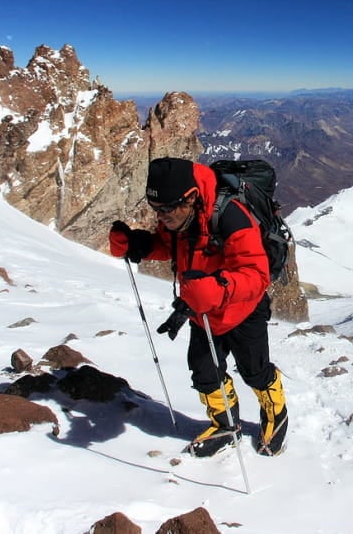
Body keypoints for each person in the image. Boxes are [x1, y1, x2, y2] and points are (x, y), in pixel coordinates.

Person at [109, 157, 288, 457]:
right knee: (205, 373)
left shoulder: (231, 217)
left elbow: (256, 275)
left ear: (191, 197)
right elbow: (170, 245)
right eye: (156, 209)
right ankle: (225, 424)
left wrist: (217, 289)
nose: (161, 216)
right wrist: (138, 244)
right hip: (202, 311)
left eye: (166, 209)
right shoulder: (182, 216)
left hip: (242, 310)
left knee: (255, 371)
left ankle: (276, 413)